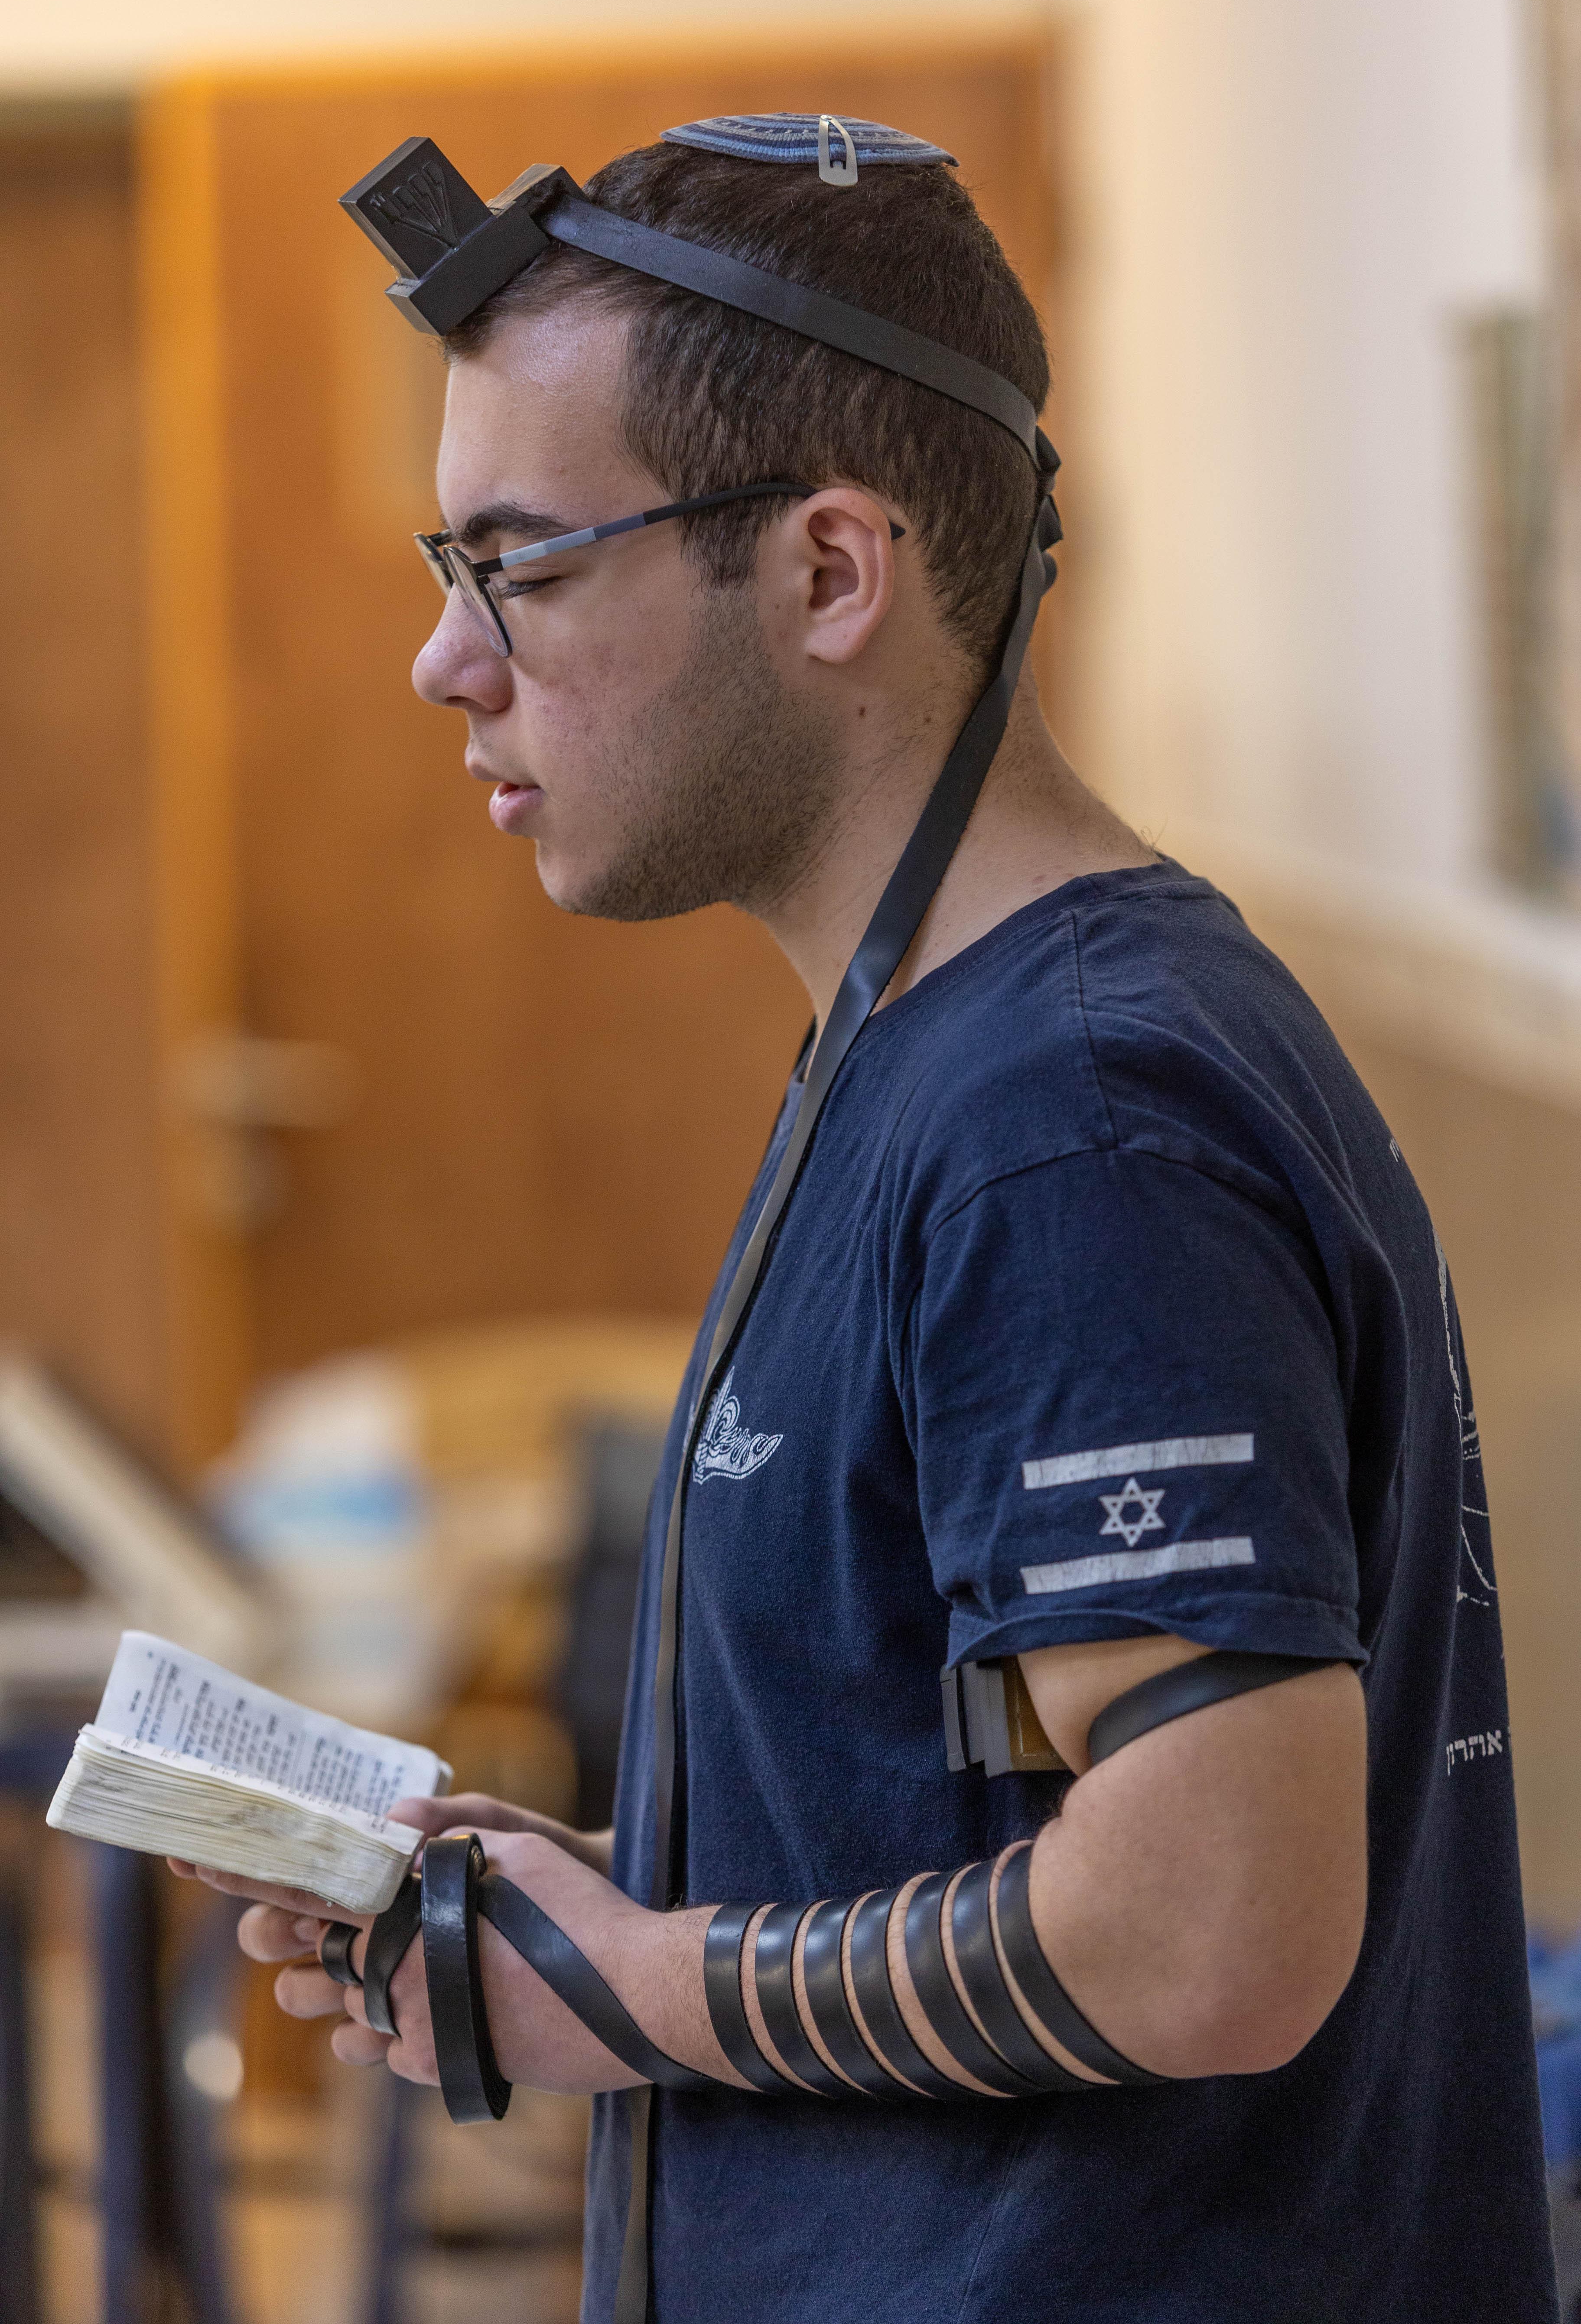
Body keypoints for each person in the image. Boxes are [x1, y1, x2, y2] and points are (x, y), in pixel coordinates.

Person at [172, 117, 1558, 2321]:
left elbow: (1212, 1930)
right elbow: (1008, 1843)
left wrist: (640, 1982)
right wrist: (616, 1903)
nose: (451, 662)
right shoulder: (937, 1044)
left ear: (832, 573)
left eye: (519, 567)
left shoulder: (1070, 1117)